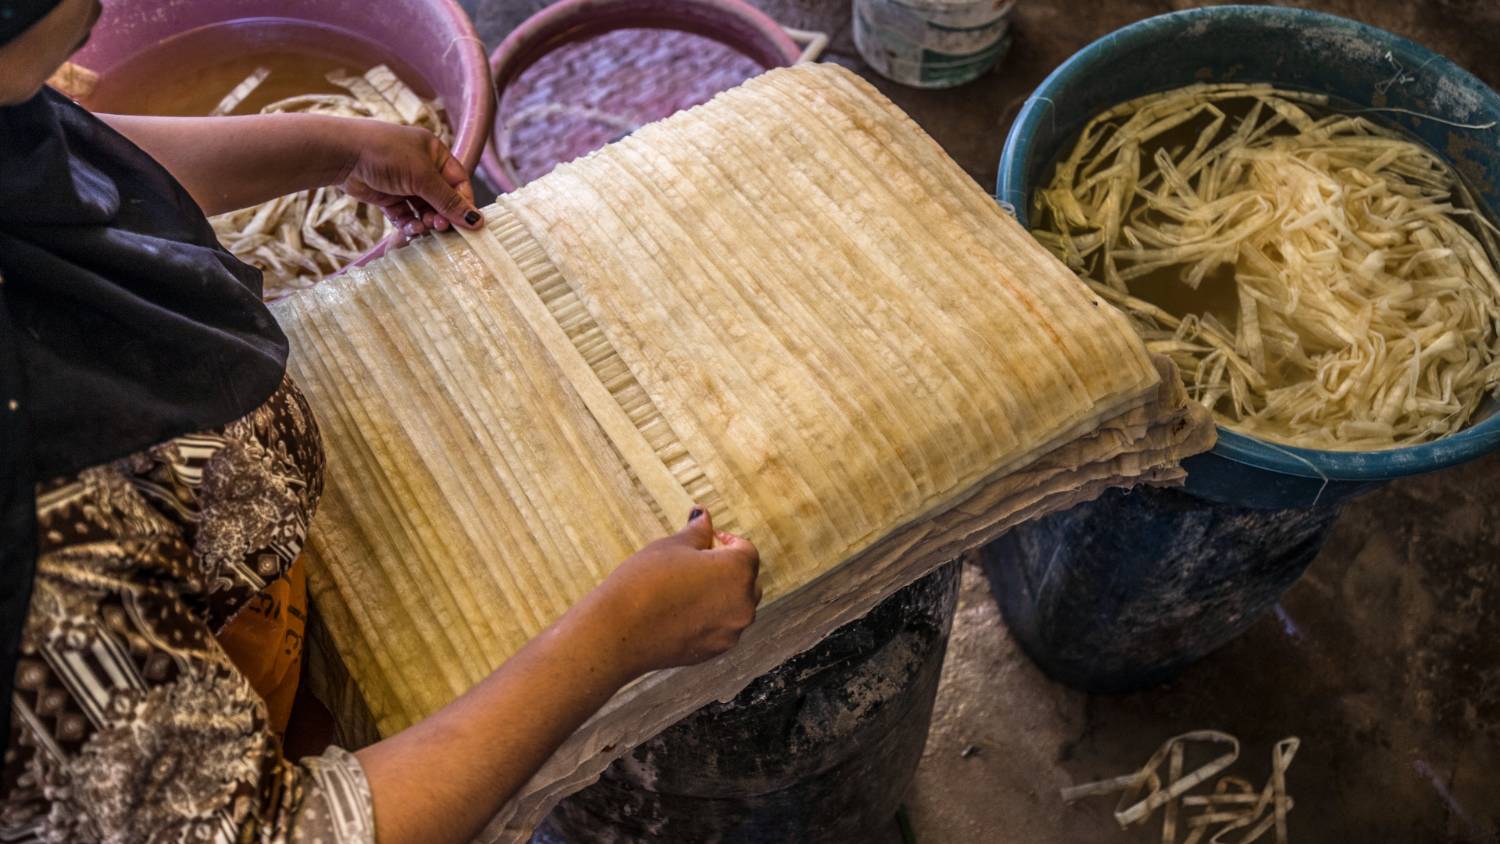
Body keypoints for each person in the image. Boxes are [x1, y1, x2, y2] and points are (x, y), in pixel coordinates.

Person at [0, 1, 763, 841]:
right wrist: (616, 638)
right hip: (218, 674)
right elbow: (274, 829)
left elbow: (75, 160)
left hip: (245, 580)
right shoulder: (51, 586)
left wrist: (333, 148)